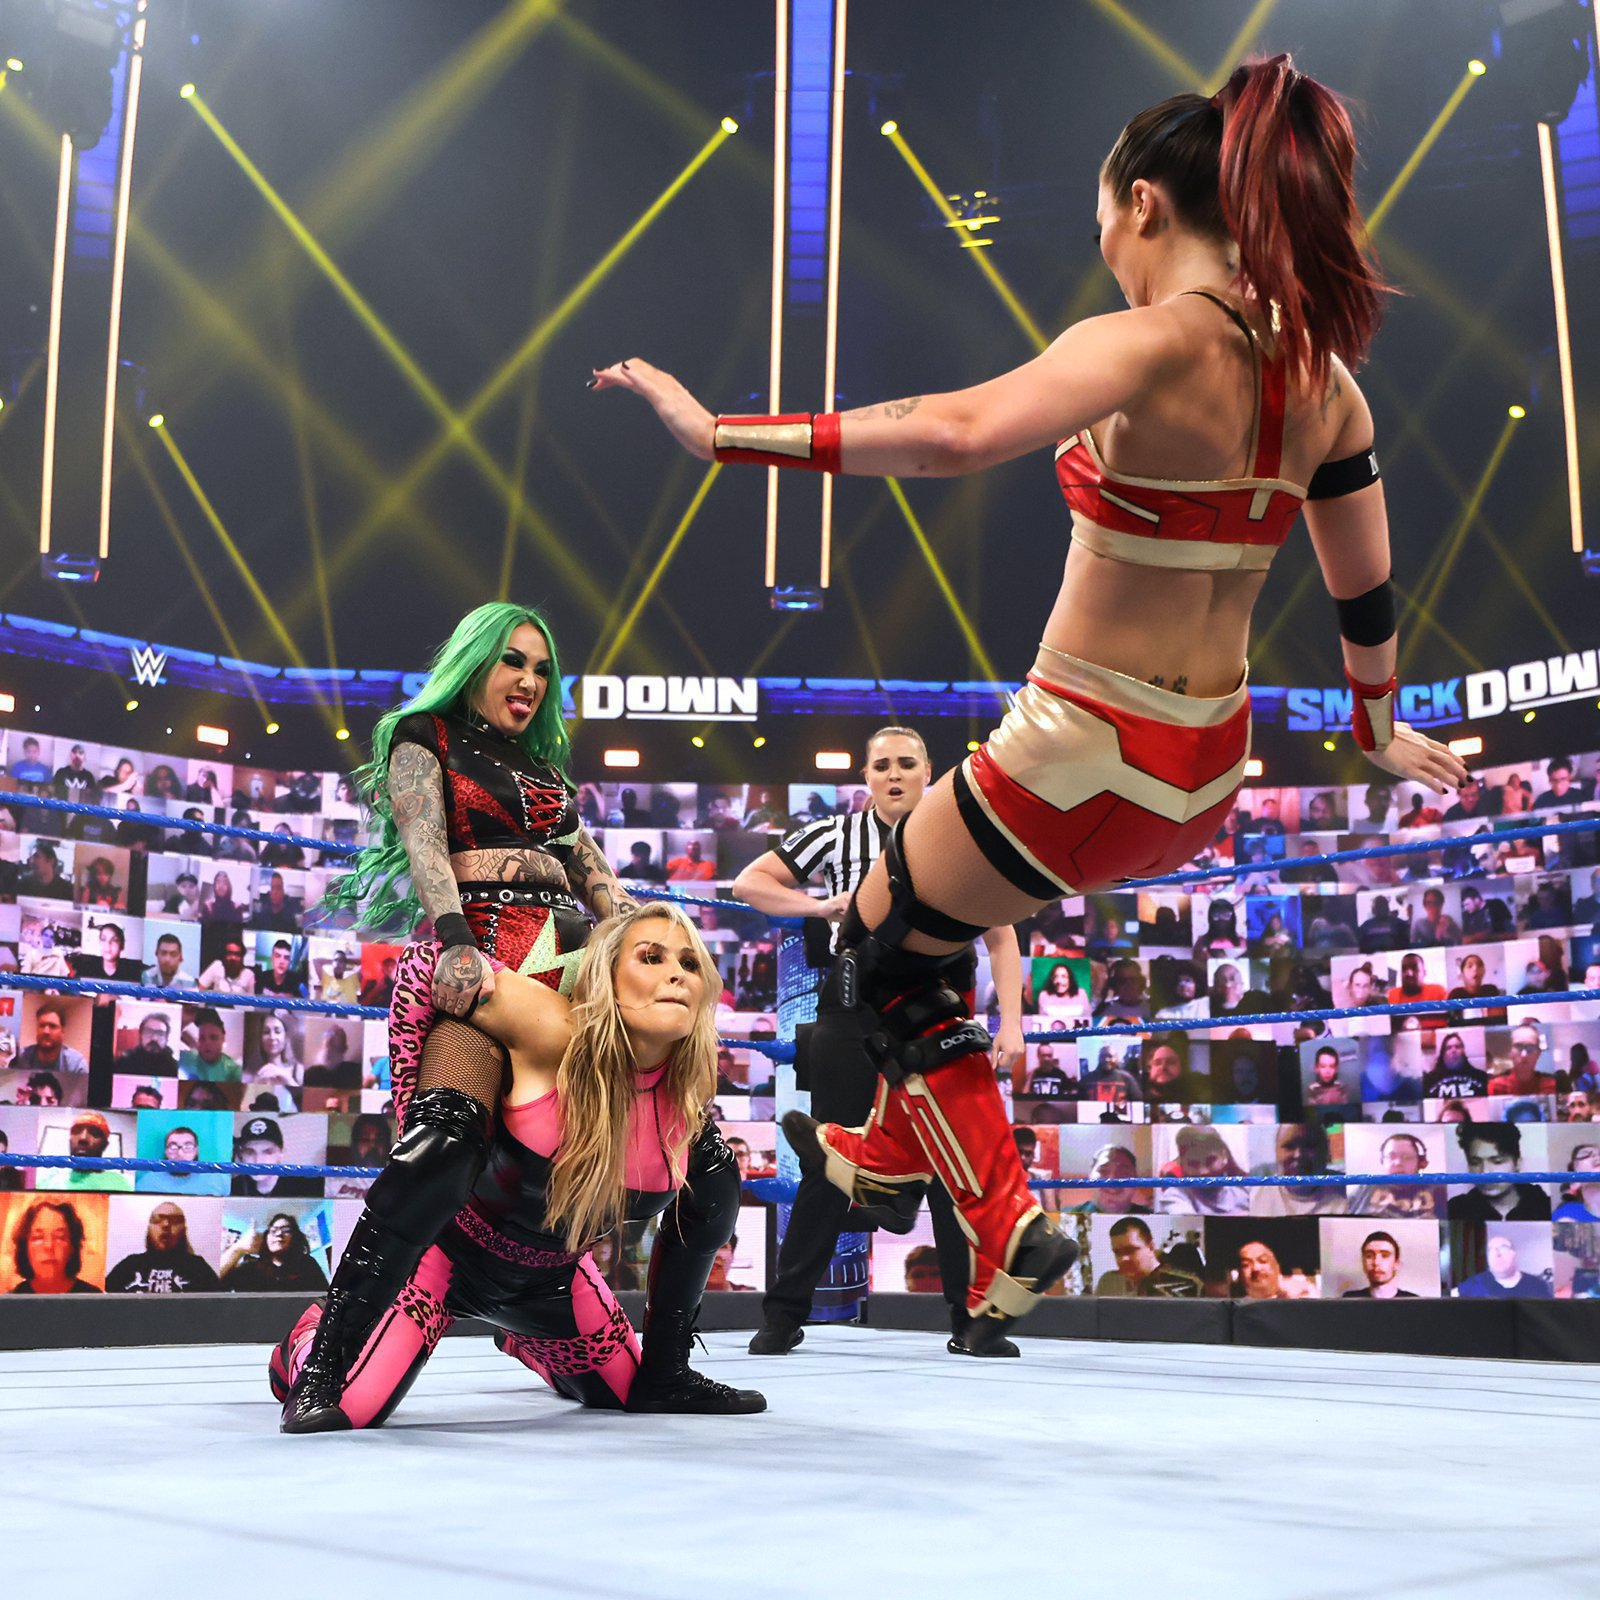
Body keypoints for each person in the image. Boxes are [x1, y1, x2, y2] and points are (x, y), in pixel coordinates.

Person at [598, 55, 1466, 1348]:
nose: (1106, 246)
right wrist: (1376, 727)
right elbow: (1365, 585)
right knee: (924, 955)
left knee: (868, 956)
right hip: (1205, 778)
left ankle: (999, 1218)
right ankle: (886, 1156)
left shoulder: (1149, 341)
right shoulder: (1327, 383)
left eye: (1106, 219)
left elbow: (953, 432)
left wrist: (718, 433)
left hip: (1078, 750)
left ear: (1144, 206)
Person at [277, 604, 645, 1421]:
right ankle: (318, 1357)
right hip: (480, 975)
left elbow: (594, 875)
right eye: (514, 661)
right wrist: (454, 941)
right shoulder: (426, 737)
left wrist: (644, 938)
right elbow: (426, 842)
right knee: (443, 1141)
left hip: (564, 986)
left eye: (542, 669)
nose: (529, 681)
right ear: (476, 661)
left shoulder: (546, 773)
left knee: (633, 1154)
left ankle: (568, 1335)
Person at [275, 902, 764, 1430]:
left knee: (630, 1389)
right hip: (439, 1259)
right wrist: (417, 1122)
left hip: (552, 1282)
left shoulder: (685, 1097)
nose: (676, 974)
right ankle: (310, 1349)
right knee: (348, 1407)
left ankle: (615, 1360)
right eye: (650, 957)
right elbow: (422, 966)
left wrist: (665, 1371)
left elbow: (701, 1219)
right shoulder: (553, 1029)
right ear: (607, 975)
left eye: (690, 964)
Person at [733, 726, 1026, 1358]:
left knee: (954, 1163)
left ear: (928, 771)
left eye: (906, 764)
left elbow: (1002, 936)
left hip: (938, 1013)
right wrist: (820, 907)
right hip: (853, 1010)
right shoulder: (835, 834)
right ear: (865, 776)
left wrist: (1013, 1022)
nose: (894, 775)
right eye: (882, 765)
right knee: (832, 1156)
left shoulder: (962, 839)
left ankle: (971, 1321)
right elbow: (748, 883)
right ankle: (783, 1315)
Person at [105, 1202, 222, 1293]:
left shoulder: (198, 1267)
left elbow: (218, 1305)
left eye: (175, 1221)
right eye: (158, 1220)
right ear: (149, 1228)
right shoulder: (130, 1264)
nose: (166, 1225)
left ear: (184, 1229)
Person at [1446, 1123, 1552, 1221]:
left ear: (1517, 1163)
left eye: (1497, 1161)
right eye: (1475, 1162)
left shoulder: (1546, 1208)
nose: (1485, 1172)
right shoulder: (1454, 1211)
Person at [221, 1212, 330, 1293]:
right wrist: (238, 1248)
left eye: (286, 1230)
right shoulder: (250, 1268)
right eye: (273, 1230)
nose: (278, 1234)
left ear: (295, 1237)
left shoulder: (307, 1264)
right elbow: (215, 1284)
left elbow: (324, 1299)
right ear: (266, 1238)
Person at [8, 1199, 101, 1294]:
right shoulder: (10, 1299)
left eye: (59, 1237)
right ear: (24, 1246)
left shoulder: (93, 1297)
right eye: (38, 1237)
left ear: (72, 1246)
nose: (49, 1246)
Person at [1095, 1216, 1202, 1296]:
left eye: (1130, 1250)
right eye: (1117, 1252)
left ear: (1151, 1247)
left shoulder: (1184, 1284)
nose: (1123, 1259)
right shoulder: (1108, 1282)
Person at [1454, 1234, 1552, 1299]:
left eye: (1503, 1248)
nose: (1497, 1254)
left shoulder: (1537, 1285)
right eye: (1491, 1250)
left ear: (1514, 1253)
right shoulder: (1473, 1283)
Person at [1487, 1021, 1558, 1098]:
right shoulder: (1496, 1087)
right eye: (1518, 1047)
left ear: (1538, 1053)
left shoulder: (1552, 1086)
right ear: (1510, 1051)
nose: (1524, 1055)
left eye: (1530, 1047)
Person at [1341, 1230, 1417, 1298]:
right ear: (1363, 1262)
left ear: (1396, 1263)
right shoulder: (1349, 1300)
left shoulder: (1413, 1302)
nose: (1376, 1262)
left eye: (1385, 1256)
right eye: (1369, 1256)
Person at [17, 1003, 88, 1076]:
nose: (46, 1031)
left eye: (52, 1026)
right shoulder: (21, 1057)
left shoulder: (76, 1065)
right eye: (42, 1025)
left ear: (62, 1031)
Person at [178, 1007, 242, 1082]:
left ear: (223, 1039)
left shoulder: (234, 1070)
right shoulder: (188, 1058)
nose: (207, 1043)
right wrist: (183, 1021)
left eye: (213, 1037)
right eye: (202, 1038)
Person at [1422, 1031, 1490, 1099]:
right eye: (1449, 1048)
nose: (1453, 1050)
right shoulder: (1429, 1080)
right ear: (1443, 1053)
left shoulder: (1481, 1077)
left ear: (1463, 1051)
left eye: (1457, 1047)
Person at [248, 1012, 303, 1088]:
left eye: (277, 1032)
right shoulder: (251, 1074)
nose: (272, 1037)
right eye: (266, 1032)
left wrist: (288, 1081)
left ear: (285, 1037)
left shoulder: (298, 1070)